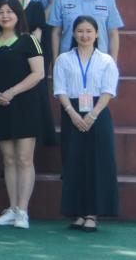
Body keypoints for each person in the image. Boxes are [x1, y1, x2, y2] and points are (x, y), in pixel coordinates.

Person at [0, 0, 46, 229]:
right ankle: (11, 209)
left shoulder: (29, 40)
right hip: (0, 105)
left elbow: (38, 73)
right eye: (1, 12)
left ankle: (23, 211)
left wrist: (12, 92)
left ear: (18, 15)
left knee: (24, 159)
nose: (5, 16)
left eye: (10, 12)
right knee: (8, 160)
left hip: (25, 105)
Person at [53, 16, 120, 232]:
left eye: (89, 31)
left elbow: (108, 90)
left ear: (97, 34)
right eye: (80, 31)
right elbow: (60, 89)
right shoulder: (63, 59)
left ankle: (92, 214)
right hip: (71, 113)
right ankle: (78, 213)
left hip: (98, 114)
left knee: (97, 163)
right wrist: (72, 113)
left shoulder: (106, 60)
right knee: (74, 162)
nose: (84, 35)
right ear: (73, 34)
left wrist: (92, 115)